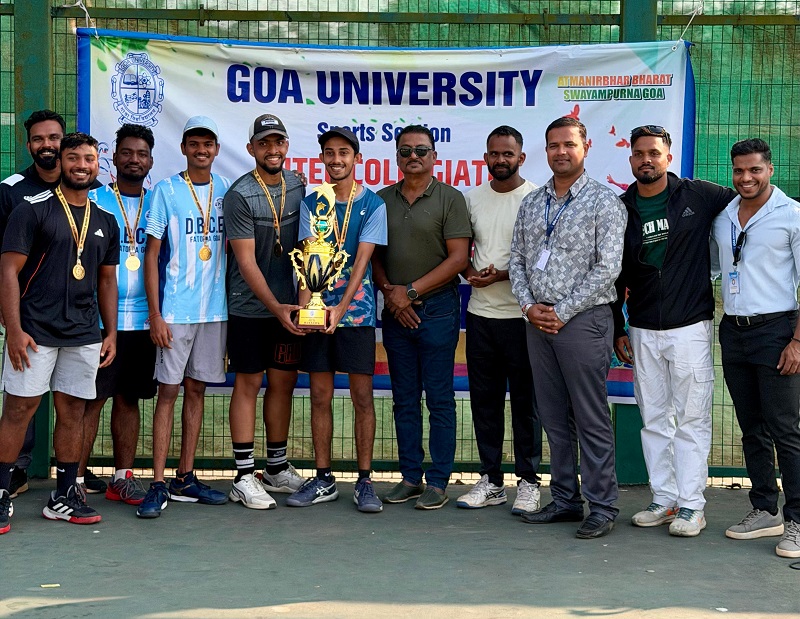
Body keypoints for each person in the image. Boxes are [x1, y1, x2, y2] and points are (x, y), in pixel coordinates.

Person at [612, 125, 736, 537]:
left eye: (654, 153)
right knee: (653, 417)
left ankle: (692, 506)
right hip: (643, 327)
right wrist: (618, 326)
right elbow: (615, 275)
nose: (646, 160)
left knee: (693, 418)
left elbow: (753, 198)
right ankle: (663, 499)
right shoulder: (621, 207)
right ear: (631, 160)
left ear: (668, 157)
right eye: (639, 153)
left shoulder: (699, 195)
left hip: (690, 327)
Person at [509, 116, 626, 539]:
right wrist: (528, 305)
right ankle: (564, 500)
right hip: (537, 321)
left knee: (590, 416)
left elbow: (607, 269)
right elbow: (517, 260)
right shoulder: (533, 201)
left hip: (583, 321)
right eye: (553, 145)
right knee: (554, 417)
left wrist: (563, 310)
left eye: (569, 144)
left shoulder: (604, 202)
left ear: (586, 147)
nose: (561, 152)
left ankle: (602, 505)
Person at [0, 132, 119, 534]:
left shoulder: (105, 220)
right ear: (62, 163)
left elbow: (106, 282)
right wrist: (13, 329)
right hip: (33, 333)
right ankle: (0, 493)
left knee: (74, 411)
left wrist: (111, 332)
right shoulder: (32, 210)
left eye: (89, 158)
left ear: (98, 164)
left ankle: (64, 495)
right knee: (19, 410)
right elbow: (7, 273)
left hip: (84, 334)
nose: (82, 165)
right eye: (74, 158)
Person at [286, 127, 387, 512]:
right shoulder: (314, 205)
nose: (336, 160)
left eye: (343, 152)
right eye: (329, 153)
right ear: (322, 159)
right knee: (319, 397)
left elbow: (362, 263)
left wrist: (340, 309)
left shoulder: (373, 205)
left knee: (362, 398)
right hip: (318, 317)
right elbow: (307, 262)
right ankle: (324, 477)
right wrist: (304, 310)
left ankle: (364, 481)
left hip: (356, 317)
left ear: (356, 157)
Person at [710, 138, 800, 558]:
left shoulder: (791, 215)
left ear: (770, 170)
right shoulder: (724, 214)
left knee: (786, 429)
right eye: (738, 171)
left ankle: (797, 520)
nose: (745, 178)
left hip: (778, 331)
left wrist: (797, 341)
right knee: (753, 429)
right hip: (734, 330)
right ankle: (765, 509)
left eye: (754, 170)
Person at [137, 116, 231, 518]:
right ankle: (157, 483)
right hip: (175, 312)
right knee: (168, 393)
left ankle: (184, 477)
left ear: (216, 149)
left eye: (208, 144)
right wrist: (156, 315)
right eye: (194, 143)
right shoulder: (165, 191)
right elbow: (152, 255)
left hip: (215, 313)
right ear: (184, 148)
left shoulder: (228, 191)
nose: (201, 150)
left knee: (197, 392)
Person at [374, 125, 471, 510]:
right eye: (406, 151)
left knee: (440, 400)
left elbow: (459, 259)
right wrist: (392, 295)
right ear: (397, 157)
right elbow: (373, 257)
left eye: (421, 150)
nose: (413, 156)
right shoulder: (381, 200)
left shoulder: (450, 199)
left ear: (434, 156)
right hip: (396, 313)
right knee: (404, 399)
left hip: (438, 311)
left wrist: (410, 292)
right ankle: (411, 477)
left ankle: (438, 481)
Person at [456, 125, 542, 515]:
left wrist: (503, 274)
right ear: (485, 158)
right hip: (480, 316)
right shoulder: (471, 199)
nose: (501, 160)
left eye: (508, 154)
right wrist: (468, 274)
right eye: (494, 154)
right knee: (484, 402)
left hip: (523, 318)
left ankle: (528, 482)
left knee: (527, 403)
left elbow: (542, 262)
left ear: (521, 158)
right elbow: (459, 252)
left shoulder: (538, 198)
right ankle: (490, 480)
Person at [223, 114, 306, 510]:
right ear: (252, 149)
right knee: (248, 384)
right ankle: (243, 475)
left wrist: (301, 301)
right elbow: (246, 262)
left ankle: (275, 467)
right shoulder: (239, 195)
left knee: (283, 383)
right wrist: (276, 308)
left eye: (279, 142)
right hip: (250, 308)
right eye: (264, 143)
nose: (273, 150)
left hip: (289, 307)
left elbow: (310, 248)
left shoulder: (299, 186)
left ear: (286, 146)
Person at [76, 124, 158, 507]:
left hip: (142, 321)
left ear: (151, 160)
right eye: (127, 152)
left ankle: (122, 478)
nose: (134, 159)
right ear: (114, 158)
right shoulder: (96, 201)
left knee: (129, 400)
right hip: (99, 321)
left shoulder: (157, 201)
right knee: (91, 401)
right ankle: (73, 479)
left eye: (141, 154)